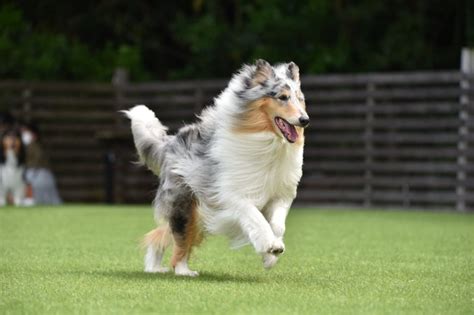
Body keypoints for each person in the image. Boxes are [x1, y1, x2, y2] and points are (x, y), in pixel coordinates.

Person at [21, 123, 62, 205]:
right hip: (36, 175)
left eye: (26, 132)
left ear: (34, 134)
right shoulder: (26, 146)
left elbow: (37, 159)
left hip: (38, 175)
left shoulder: (35, 146)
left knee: (43, 199)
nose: (23, 134)